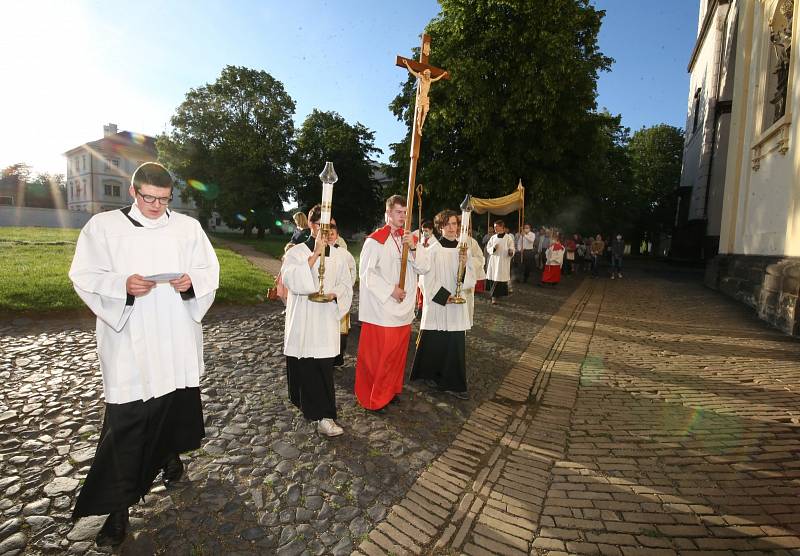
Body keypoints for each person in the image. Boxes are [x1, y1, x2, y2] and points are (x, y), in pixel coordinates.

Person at [68, 162, 220, 547]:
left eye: (164, 199)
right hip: (130, 344)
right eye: (148, 198)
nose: (156, 206)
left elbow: (209, 271)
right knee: (127, 426)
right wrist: (122, 284)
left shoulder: (188, 228)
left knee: (172, 407)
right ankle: (117, 511)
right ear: (134, 192)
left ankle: (168, 454)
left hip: (175, 336)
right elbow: (83, 275)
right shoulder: (104, 228)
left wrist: (191, 283)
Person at [281, 206, 353, 436]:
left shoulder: (340, 255)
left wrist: (335, 296)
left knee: (323, 369)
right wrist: (314, 257)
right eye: (323, 225)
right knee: (305, 367)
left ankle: (325, 417)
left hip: (325, 318)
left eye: (331, 226)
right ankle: (309, 408)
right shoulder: (297, 252)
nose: (328, 230)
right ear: (311, 225)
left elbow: (346, 284)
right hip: (304, 320)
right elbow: (291, 279)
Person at [355, 195, 429, 411]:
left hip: (403, 310)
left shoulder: (410, 239)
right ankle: (373, 397)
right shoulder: (375, 240)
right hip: (382, 310)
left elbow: (424, 268)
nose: (403, 217)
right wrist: (391, 291)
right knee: (380, 357)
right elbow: (367, 274)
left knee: (397, 357)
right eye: (399, 212)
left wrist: (413, 249)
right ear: (388, 213)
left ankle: (390, 391)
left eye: (406, 213)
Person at [410, 210, 475, 399]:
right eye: (448, 224)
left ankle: (452, 383)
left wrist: (463, 267)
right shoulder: (432, 251)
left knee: (454, 343)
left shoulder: (464, 251)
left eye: (455, 224)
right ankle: (429, 374)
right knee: (435, 341)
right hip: (439, 304)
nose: (452, 228)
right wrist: (444, 297)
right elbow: (425, 279)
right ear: (440, 227)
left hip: (457, 306)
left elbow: (470, 280)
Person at [328, 220, 357, 367]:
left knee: (341, 331)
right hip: (326, 296)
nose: (330, 236)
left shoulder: (344, 253)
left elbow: (353, 271)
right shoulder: (320, 251)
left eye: (332, 234)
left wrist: (346, 288)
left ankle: (338, 359)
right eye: (327, 234)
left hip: (340, 296)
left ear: (337, 235)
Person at [485, 220, 515, 305]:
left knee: (500, 279)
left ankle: (496, 295)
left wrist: (511, 252)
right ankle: (493, 297)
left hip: (503, 261)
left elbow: (512, 248)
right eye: (494, 227)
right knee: (494, 278)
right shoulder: (493, 237)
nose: (494, 228)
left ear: (502, 227)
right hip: (494, 261)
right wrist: (493, 248)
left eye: (496, 227)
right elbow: (488, 248)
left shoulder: (508, 237)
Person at [465, 224, 485, 327]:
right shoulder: (444, 243)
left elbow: (480, 258)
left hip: (467, 281)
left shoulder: (472, 242)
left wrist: (467, 260)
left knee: (466, 306)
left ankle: (464, 327)